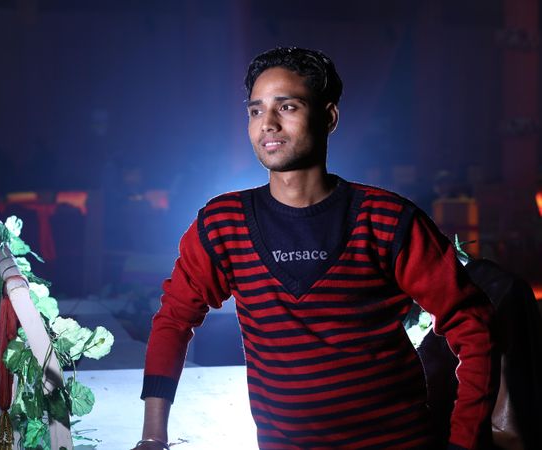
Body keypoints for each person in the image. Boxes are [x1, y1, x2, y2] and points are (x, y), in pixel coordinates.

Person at [133, 47, 496, 450]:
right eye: (255, 111)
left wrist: (466, 442)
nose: (267, 124)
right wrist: (152, 437)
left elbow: (474, 323)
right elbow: (173, 321)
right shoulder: (224, 224)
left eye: (286, 106)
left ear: (329, 117)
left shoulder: (387, 218)